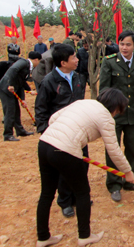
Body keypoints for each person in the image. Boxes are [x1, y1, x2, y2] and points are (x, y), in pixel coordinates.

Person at [36, 88, 134, 247]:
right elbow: (114, 151)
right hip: (65, 150)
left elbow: (53, 118)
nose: (117, 114)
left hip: (45, 143)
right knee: (82, 193)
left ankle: (43, 237)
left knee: (47, 193)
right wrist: (128, 172)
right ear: (116, 108)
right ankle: (84, 236)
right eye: (119, 110)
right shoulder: (106, 118)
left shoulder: (84, 102)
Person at [99, 30, 134, 202]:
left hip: (133, 114)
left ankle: (130, 180)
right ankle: (114, 185)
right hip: (113, 116)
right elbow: (104, 90)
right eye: (121, 44)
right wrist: (105, 113)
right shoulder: (109, 62)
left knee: (131, 148)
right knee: (113, 149)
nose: (124, 47)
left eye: (128, 44)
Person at [35, 44, 84, 219]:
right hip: (59, 135)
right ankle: (65, 201)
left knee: (81, 165)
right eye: (73, 58)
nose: (77, 60)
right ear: (63, 62)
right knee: (64, 170)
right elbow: (41, 109)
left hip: (78, 132)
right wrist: (46, 133)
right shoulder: (49, 81)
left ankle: (79, 197)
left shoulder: (78, 77)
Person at [0, 51, 42, 141]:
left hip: (13, 90)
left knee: (16, 111)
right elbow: (13, 70)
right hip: (5, 89)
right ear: (36, 60)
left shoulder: (28, 67)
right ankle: (8, 134)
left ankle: (20, 131)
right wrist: (10, 84)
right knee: (10, 111)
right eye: (39, 61)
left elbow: (21, 83)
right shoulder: (23, 62)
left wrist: (23, 99)